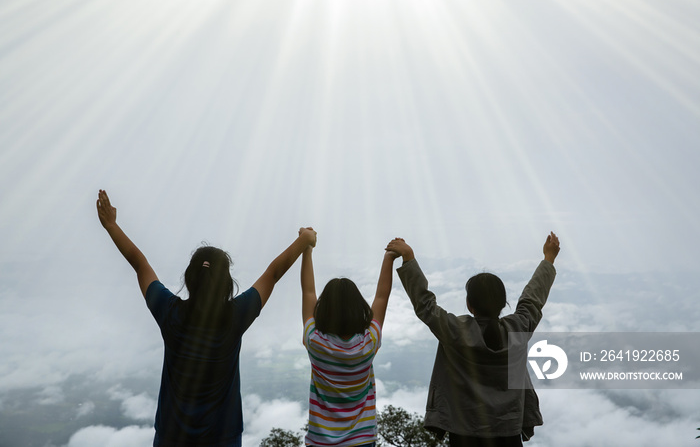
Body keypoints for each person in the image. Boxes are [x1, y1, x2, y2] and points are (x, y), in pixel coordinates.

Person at [96, 189, 317, 447]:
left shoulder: (170, 313)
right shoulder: (236, 316)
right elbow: (273, 273)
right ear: (226, 284)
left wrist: (111, 226)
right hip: (223, 438)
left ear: (189, 280)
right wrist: (305, 240)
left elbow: (139, 263)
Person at [386, 233, 560, 447]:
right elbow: (532, 300)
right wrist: (548, 258)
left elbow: (425, 305)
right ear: (503, 304)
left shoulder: (456, 332)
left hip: (463, 434)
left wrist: (409, 258)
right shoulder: (518, 330)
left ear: (469, 304)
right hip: (509, 434)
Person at [299, 234, 400, 447]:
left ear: (323, 310)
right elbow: (382, 297)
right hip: (362, 441)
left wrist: (306, 248)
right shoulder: (368, 342)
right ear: (359, 308)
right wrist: (389, 258)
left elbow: (308, 292)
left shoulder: (315, 342)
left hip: (320, 443)